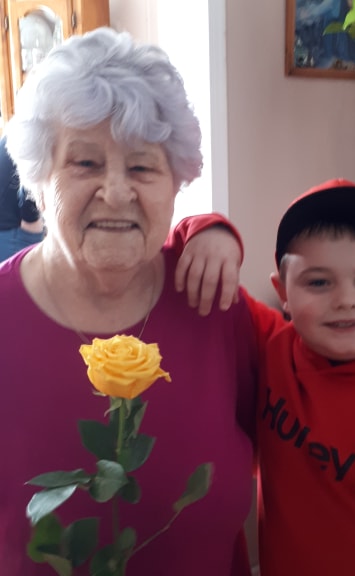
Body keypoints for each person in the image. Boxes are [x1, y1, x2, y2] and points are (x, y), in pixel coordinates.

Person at [0, 27, 258, 576]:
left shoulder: (216, 304)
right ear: (39, 179)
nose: (117, 192)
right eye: (85, 164)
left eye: (143, 167)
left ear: (176, 183)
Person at [178, 178, 355, 576]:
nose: (346, 299)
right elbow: (192, 257)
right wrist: (211, 229)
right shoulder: (274, 345)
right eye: (318, 282)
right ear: (283, 292)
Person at [0, 136, 44, 261]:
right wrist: (32, 222)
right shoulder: (41, 130)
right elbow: (32, 177)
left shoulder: (17, 129)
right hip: (12, 231)